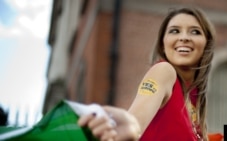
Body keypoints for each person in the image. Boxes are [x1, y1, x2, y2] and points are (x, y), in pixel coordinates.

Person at [78, 6, 216, 141]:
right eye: (174, 31)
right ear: (163, 44)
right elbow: (135, 121)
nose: (184, 38)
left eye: (195, 32)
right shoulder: (164, 71)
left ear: (206, 45)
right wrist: (130, 125)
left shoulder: (195, 102)